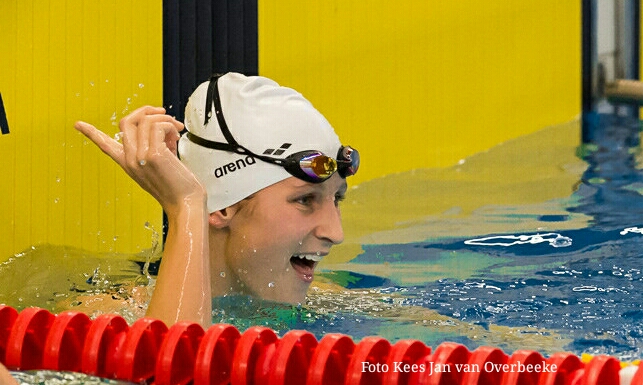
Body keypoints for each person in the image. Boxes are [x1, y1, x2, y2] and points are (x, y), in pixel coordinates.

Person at [74, 73, 359, 327]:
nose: (336, 233)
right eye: (305, 200)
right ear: (222, 206)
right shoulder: (104, 320)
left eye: (337, 199)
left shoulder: (336, 303)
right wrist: (186, 205)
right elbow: (171, 371)